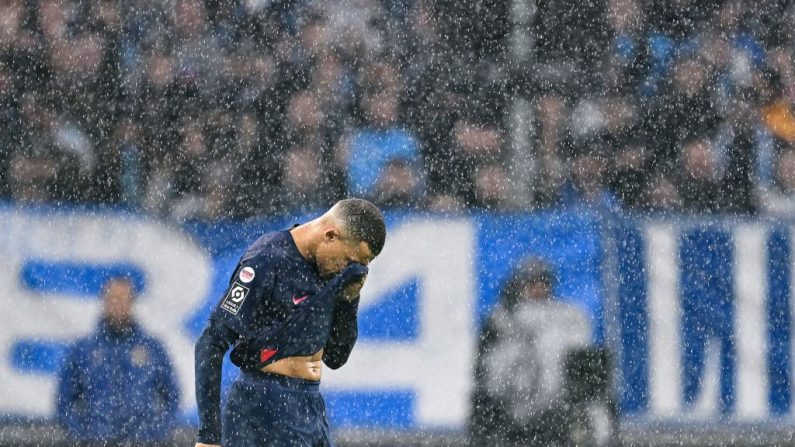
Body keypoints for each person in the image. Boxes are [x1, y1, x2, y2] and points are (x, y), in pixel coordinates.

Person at [194, 198, 387, 447]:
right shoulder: (267, 259)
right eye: (349, 261)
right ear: (330, 235)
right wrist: (209, 435)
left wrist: (348, 301)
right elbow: (211, 341)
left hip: (311, 403)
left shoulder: (332, 271)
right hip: (263, 405)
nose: (347, 270)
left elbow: (336, 357)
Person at [469, 257, 592, 446]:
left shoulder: (564, 316)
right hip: (510, 406)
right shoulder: (501, 318)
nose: (538, 288)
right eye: (532, 282)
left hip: (555, 408)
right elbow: (486, 373)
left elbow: (579, 353)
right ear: (520, 285)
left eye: (542, 282)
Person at [56, 276, 180, 445]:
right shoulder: (84, 350)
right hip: (98, 440)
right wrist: (83, 434)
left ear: (132, 303)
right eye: (112, 298)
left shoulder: (151, 349)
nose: (117, 304)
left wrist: (154, 432)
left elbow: (172, 395)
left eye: (123, 299)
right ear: (104, 302)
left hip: (141, 441)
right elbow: (63, 399)